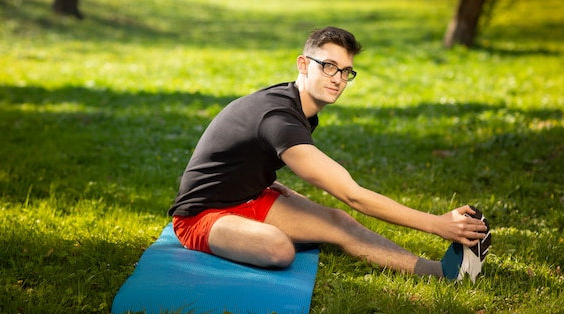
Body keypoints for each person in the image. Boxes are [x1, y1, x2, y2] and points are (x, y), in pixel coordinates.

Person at [168, 26, 490, 282]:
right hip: (202, 216)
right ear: (303, 64)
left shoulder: (300, 108)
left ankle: (442, 272)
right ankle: (244, 238)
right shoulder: (279, 119)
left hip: (251, 198)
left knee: (339, 222)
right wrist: (437, 224)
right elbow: (354, 195)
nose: (337, 79)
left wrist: (259, 184)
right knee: (278, 248)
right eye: (329, 66)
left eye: (346, 71)